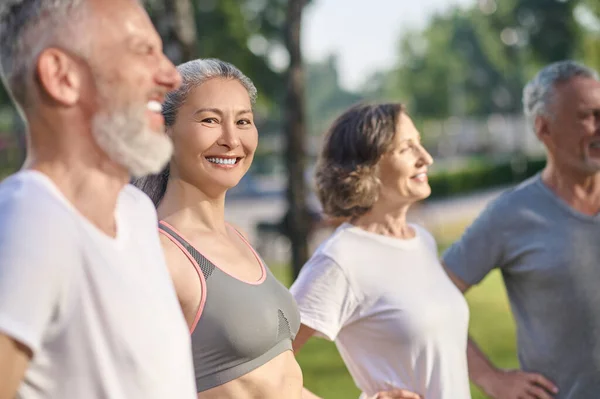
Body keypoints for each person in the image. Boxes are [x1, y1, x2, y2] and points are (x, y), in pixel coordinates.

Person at [0, 1, 197, 398]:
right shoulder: (30, 216)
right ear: (62, 77)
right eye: (143, 50)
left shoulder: (137, 211)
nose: (172, 76)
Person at [134, 58, 309, 399]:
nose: (231, 139)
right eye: (210, 120)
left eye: (244, 121)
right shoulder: (158, 255)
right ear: (163, 131)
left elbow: (276, 383)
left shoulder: (236, 238)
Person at [290, 102, 472, 399]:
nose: (425, 158)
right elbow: (263, 365)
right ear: (365, 168)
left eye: (420, 144)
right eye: (406, 148)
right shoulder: (341, 258)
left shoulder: (421, 240)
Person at [442, 60, 600, 399]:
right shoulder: (510, 216)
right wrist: (489, 377)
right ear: (544, 128)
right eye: (588, 116)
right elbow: (432, 297)